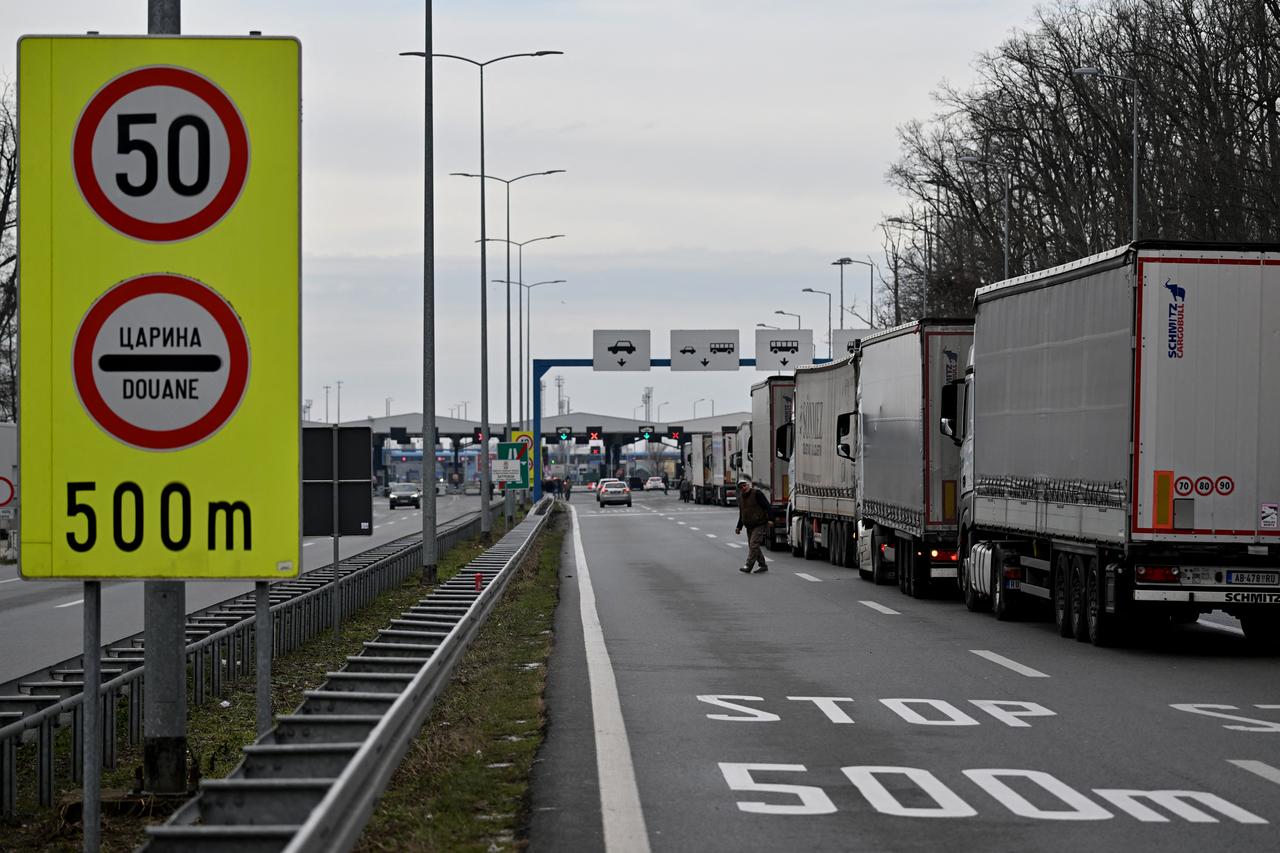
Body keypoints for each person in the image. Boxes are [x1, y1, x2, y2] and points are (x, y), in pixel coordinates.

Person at [735, 479, 772, 574]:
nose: (743, 488)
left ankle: (748, 566)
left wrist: (771, 519)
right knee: (754, 546)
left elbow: (767, 506)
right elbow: (742, 513)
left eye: (744, 485)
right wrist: (739, 527)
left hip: (759, 523)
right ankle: (763, 565)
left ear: (748, 485)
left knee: (753, 544)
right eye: (741, 487)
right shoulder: (741, 498)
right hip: (749, 526)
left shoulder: (757, 494)